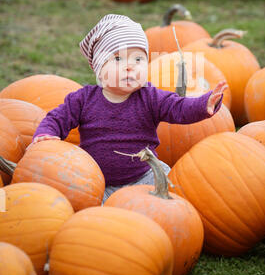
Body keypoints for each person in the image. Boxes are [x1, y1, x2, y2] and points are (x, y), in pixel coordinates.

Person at [31, 14, 228, 203]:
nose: (130, 67)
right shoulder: (83, 99)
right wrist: (46, 135)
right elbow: (56, 118)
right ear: (99, 68)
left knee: (174, 193)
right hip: (99, 183)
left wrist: (204, 103)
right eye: (118, 59)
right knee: (92, 212)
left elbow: (179, 107)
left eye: (138, 59)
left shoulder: (150, 96)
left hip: (146, 176)